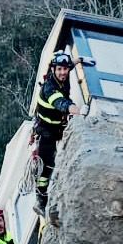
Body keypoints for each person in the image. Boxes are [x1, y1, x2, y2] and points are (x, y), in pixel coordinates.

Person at [33, 49, 80, 215]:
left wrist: (79, 60)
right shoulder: (50, 88)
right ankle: (40, 200)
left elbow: (69, 65)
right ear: (53, 69)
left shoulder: (62, 76)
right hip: (46, 132)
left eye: (65, 69)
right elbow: (61, 103)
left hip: (56, 127)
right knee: (46, 166)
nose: (63, 72)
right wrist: (79, 110)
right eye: (59, 69)